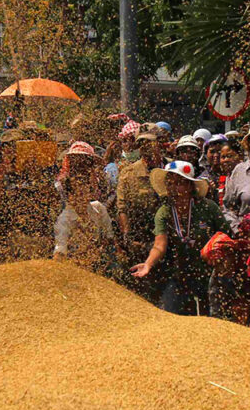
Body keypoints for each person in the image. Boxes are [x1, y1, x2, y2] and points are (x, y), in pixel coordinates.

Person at [130, 160, 228, 315]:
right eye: (169, 183)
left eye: (178, 183)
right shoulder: (164, 212)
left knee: (211, 321)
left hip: (209, 273)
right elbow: (159, 245)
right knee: (174, 317)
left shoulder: (208, 207)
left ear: (190, 186)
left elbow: (226, 235)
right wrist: (148, 264)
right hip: (178, 273)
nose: (173, 188)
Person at [116, 129, 166, 298]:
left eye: (150, 144)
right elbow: (122, 207)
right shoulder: (128, 173)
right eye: (142, 145)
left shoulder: (170, 168)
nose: (147, 148)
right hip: (140, 237)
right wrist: (127, 235)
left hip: (166, 237)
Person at [54, 141, 114, 273]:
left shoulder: (98, 205)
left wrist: (100, 249)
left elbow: (109, 238)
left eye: (85, 160)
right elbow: (60, 249)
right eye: (77, 160)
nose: (81, 164)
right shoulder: (64, 217)